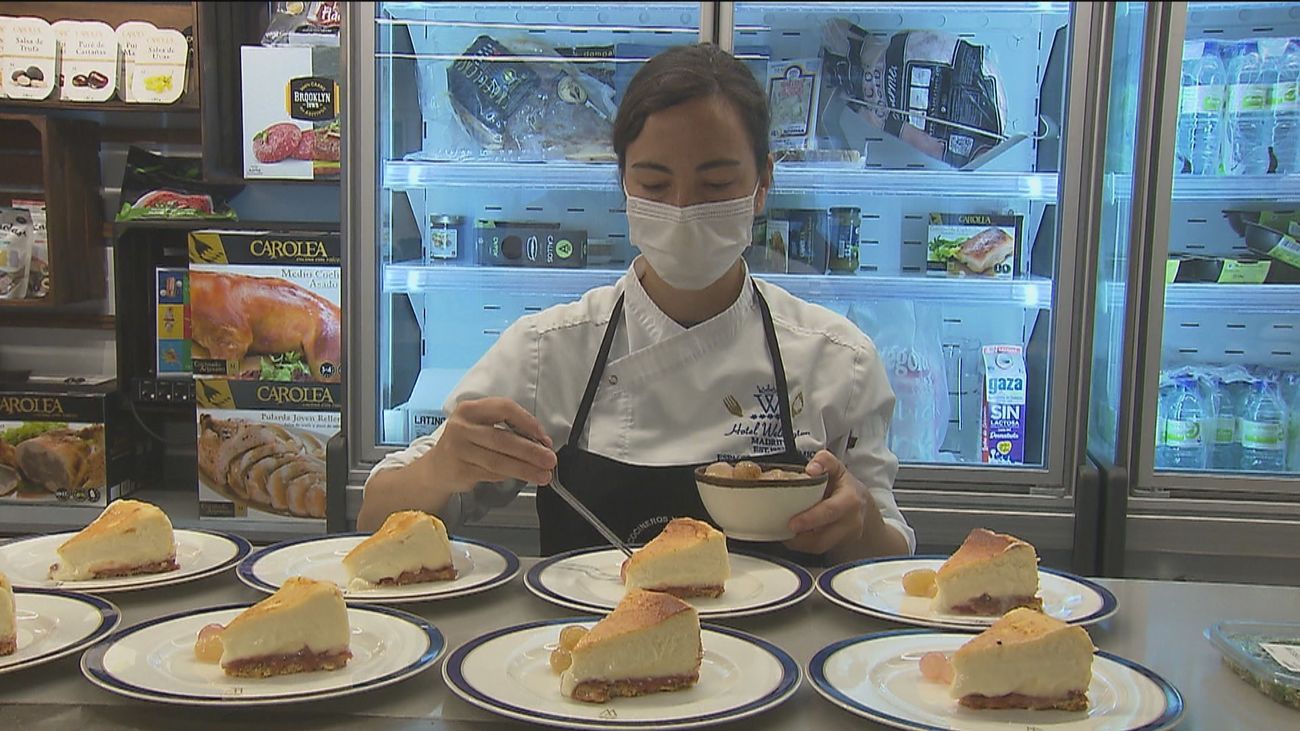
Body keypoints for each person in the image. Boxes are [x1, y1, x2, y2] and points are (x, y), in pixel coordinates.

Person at [359, 43, 913, 563]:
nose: (682, 208)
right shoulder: (547, 353)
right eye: (653, 184)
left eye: (715, 184)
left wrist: (859, 523)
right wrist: (442, 467)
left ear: (762, 183)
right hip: (592, 654)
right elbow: (373, 519)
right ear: (622, 183)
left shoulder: (838, 360)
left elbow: (888, 567)